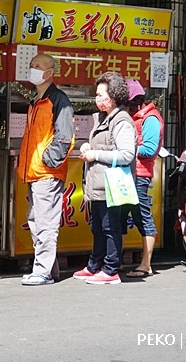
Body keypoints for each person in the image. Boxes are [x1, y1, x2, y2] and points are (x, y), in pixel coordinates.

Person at [16, 54, 74, 286]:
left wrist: (48, 160)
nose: (33, 70)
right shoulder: (37, 100)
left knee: (45, 223)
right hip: (35, 171)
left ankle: (42, 271)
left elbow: (64, 137)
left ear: (50, 72)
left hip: (46, 172)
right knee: (37, 221)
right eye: (31, 66)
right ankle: (49, 270)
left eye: (38, 66)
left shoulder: (58, 100)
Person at [75, 72, 136, 285]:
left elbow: (127, 154)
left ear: (113, 95)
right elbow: (101, 144)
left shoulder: (121, 121)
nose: (97, 98)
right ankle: (94, 265)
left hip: (111, 185)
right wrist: (87, 147)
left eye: (101, 94)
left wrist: (95, 155)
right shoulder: (102, 118)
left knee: (110, 227)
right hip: (98, 184)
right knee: (98, 227)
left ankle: (111, 270)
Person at [121, 79, 162, 279]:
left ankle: (146, 264)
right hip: (125, 173)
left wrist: (126, 147)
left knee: (142, 217)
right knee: (118, 216)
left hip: (139, 175)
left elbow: (149, 149)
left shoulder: (151, 118)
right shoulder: (135, 116)